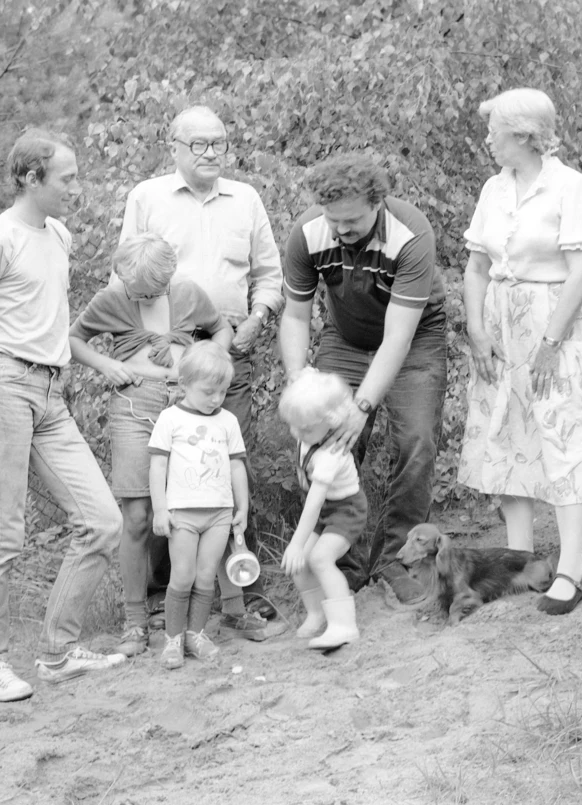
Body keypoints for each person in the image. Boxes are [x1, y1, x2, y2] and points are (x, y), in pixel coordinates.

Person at [0, 128, 126, 703]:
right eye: (68, 178)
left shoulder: (61, 235)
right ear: (30, 178)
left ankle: (57, 653)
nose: (78, 187)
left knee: (102, 521)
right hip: (2, 385)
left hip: (51, 393)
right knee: (2, 535)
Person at [120, 104, 285, 637]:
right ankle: (159, 601)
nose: (212, 152)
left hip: (228, 347)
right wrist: (146, 350)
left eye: (219, 143)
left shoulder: (247, 199)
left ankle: (239, 592)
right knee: (164, 475)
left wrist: (259, 319)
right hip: (164, 350)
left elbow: (269, 274)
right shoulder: (147, 197)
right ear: (174, 146)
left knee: (225, 466)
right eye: (199, 144)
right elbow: (125, 275)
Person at [458, 88, 582, 615]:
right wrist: (477, 331)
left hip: (558, 322)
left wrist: (551, 341)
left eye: (495, 130)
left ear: (524, 135)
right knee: (507, 435)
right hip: (502, 324)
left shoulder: (570, 187)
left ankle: (571, 568)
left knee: (565, 432)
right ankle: (521, 562)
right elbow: (476, 267)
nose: (487, 138)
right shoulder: (493, 189)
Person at [280, 153, 448, 604]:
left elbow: (397, 336)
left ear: (378, 204)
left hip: (414, 339)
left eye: (351, 221)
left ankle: (397, 561)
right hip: (347, 337)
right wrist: (301, 382)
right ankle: (341, 563)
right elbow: (295, 316)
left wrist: (362, 406)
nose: (340, 230)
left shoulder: (411, 235)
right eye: (332, 220)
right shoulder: (310, 231)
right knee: (328, 438)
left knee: (416, 440)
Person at [69, 234, 234, 657]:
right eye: (134, 290)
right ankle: (134, 620)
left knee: (191, 504)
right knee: (139, 515)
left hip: (186, 405)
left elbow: (221, 329)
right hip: (133, 403)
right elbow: (74, 340)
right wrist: (108, 365)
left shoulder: (188, 295)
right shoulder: (112, 298)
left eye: (149, 292)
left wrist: (205, 365)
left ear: (169, 278)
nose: (139, 296)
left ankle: (196, 611)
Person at [146, 341, 249, 668]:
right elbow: (157, 466)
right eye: (208, 392)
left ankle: (196, 634)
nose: (216, 399)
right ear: (184, 384)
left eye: (222, 391)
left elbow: (236, 466)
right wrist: (160, 509)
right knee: (183, 576)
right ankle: (173, 640)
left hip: (219, 515)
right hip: (182, 515)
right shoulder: (170, 419)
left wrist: (241, 507)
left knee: (206, 578)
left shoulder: (228, 421)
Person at [279, 370, 367, 650]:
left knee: (319, 558)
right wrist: (297, 549)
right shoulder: (308, 430)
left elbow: (314, 503)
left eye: (304, 429)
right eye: (294, 426)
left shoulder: (331, 454)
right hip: (325, 508)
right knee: (300, 564)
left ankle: (344, 626)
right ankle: (317, 613)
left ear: (331, 422)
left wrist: (295, 543)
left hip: (346, 509)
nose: (297, 434)